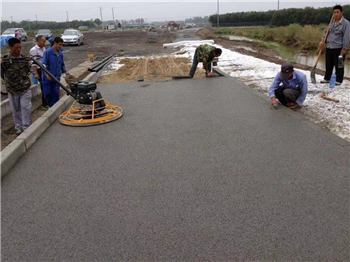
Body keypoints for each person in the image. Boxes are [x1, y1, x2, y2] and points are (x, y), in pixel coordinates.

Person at [0, 38, 32, 134]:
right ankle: (18, 126)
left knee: (26, 107)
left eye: (20, 47)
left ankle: (26, 127)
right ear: (10, 47)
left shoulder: (23, 58)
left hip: (25, 87)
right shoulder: (5, 59)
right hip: (12, 89)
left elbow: (27, 71)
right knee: (15, 109)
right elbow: (2, 72)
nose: (18, 50)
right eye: (16, 48)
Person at [319, 5, 350, 85]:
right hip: (329, 46)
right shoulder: (331, 22)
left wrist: (344, 48)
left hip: (339, 48)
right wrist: (322, 41)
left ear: (341, 13)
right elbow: (326, 33)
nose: (335, 14)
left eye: (337, 12)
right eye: (334, 12)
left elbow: (346, 36)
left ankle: (339, 80)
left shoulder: (346, 23)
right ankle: (327, 78)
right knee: (328, 64)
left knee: (339, 65)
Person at [42, 37, 69, 107]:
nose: (61, 46)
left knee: (56, 94)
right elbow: (43, 65)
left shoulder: (60, 54)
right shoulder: (48, 52)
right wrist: (46, 74)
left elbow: (62, 65)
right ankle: (50, 105)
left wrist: (65, 71)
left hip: (56, 78)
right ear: (55, 43)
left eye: (62, 45)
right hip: (47, 78)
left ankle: (52, 107)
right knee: (47, 93)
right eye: (59, 44)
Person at [30, 35, 48, 108]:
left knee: (46, 85)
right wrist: (36, 73)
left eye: (45, 41)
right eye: (43, 41)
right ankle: (45, 104)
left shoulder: (44, 49)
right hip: (39, 70)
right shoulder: (33, 50)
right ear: (38, 41)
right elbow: (33, 63)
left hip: (45, 69)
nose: (44, 43)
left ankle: (47, 101)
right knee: (43, 86)